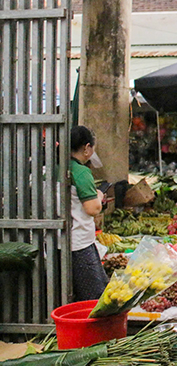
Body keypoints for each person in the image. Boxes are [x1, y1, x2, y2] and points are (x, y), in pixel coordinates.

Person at [69, 126, 109, 301]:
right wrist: (99, 195)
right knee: (94, 296)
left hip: (56, 243)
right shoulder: (81, 172)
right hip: (79, 244)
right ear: (86, 148)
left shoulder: (55, 166)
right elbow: (92, 209)